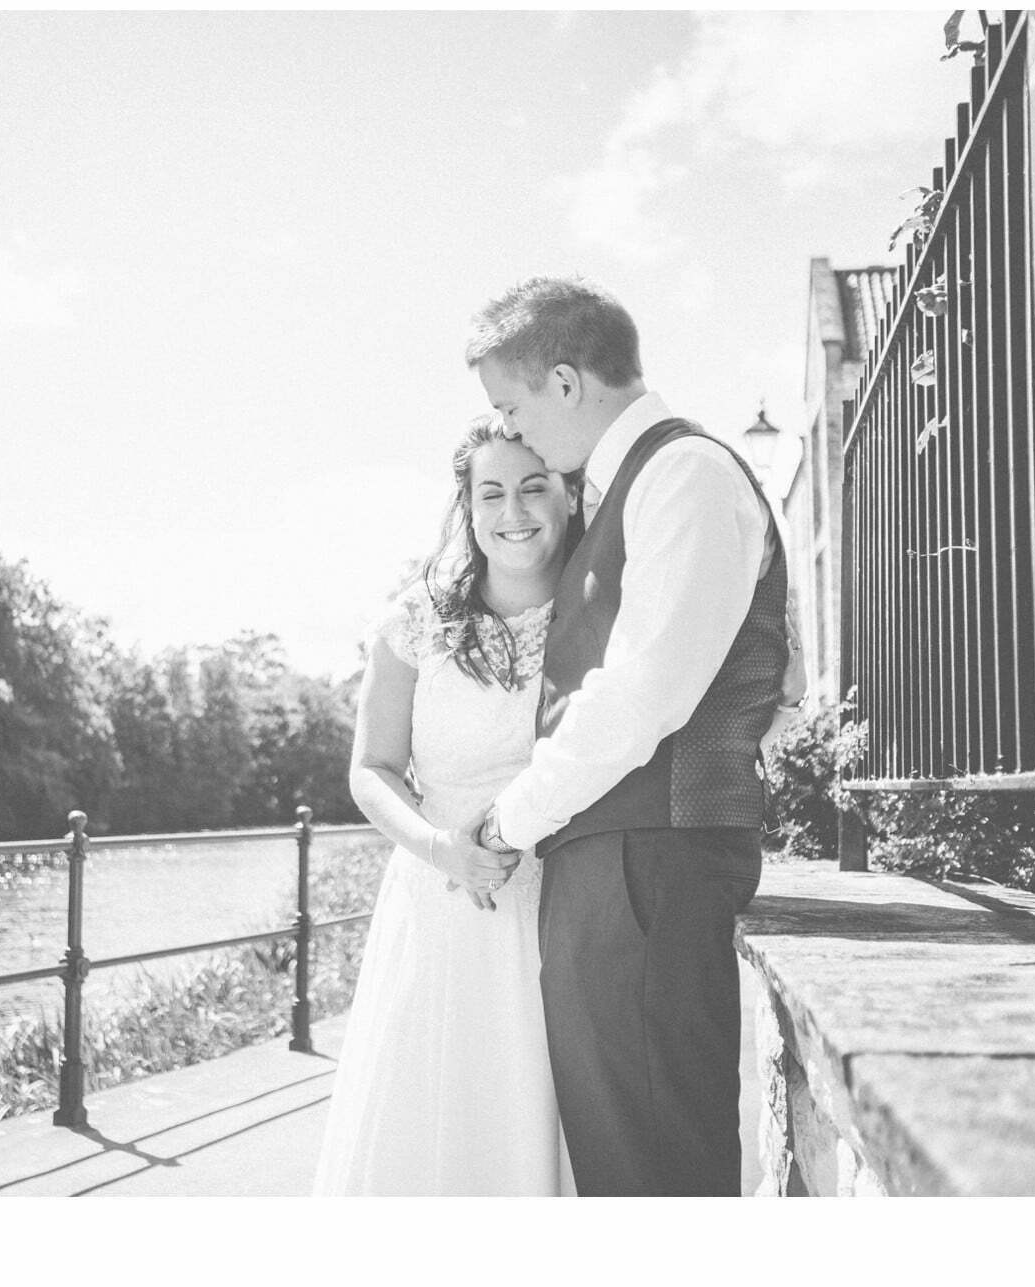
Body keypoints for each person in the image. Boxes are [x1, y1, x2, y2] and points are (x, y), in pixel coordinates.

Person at [442, 275, 791, 1196]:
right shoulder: (628, 489)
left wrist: (507, 819)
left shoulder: (687, 474)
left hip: (654, 867)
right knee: (621, 1162)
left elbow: (645, 694)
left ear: (565, 383)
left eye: (511, 405)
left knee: (653, 1174)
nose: (510, 429)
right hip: (621, 865)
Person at [312, 415, 578, 1196]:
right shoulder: (416, 622)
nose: (513, 510)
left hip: (562, 900)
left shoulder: (598, 613)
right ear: (466, 505)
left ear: (566, 495)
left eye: (534, 487)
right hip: (438, 901)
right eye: (490, 491)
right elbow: (371, 769)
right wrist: (441, 849)